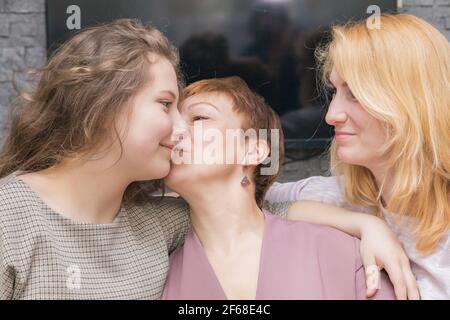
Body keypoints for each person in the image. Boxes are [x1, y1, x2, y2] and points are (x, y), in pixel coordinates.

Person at [266, 14, 449, 300]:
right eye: (335, 92)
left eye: (355, 94)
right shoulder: (333, 197)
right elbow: (241, 204)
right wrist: (365, 224)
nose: (331, 115)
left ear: (410, 102)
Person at [161, 77, 395, 300]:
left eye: (199, 118)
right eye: (172, 119)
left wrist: (369, 225)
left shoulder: (345, 254)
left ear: (253, 151)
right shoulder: (157, 274)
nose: (176, 130)